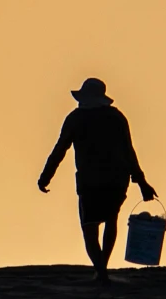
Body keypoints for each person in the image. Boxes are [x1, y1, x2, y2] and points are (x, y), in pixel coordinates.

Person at [37, 78, 156, 281]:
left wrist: (45, 176)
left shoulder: (75, 119)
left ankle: (100, 270)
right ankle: (102, 268)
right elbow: (129, 151)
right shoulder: (117, 118)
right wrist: (141, 181)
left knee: (89, 226)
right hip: (117, 180)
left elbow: (59, 150)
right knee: (111, 220)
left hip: (89, 181)